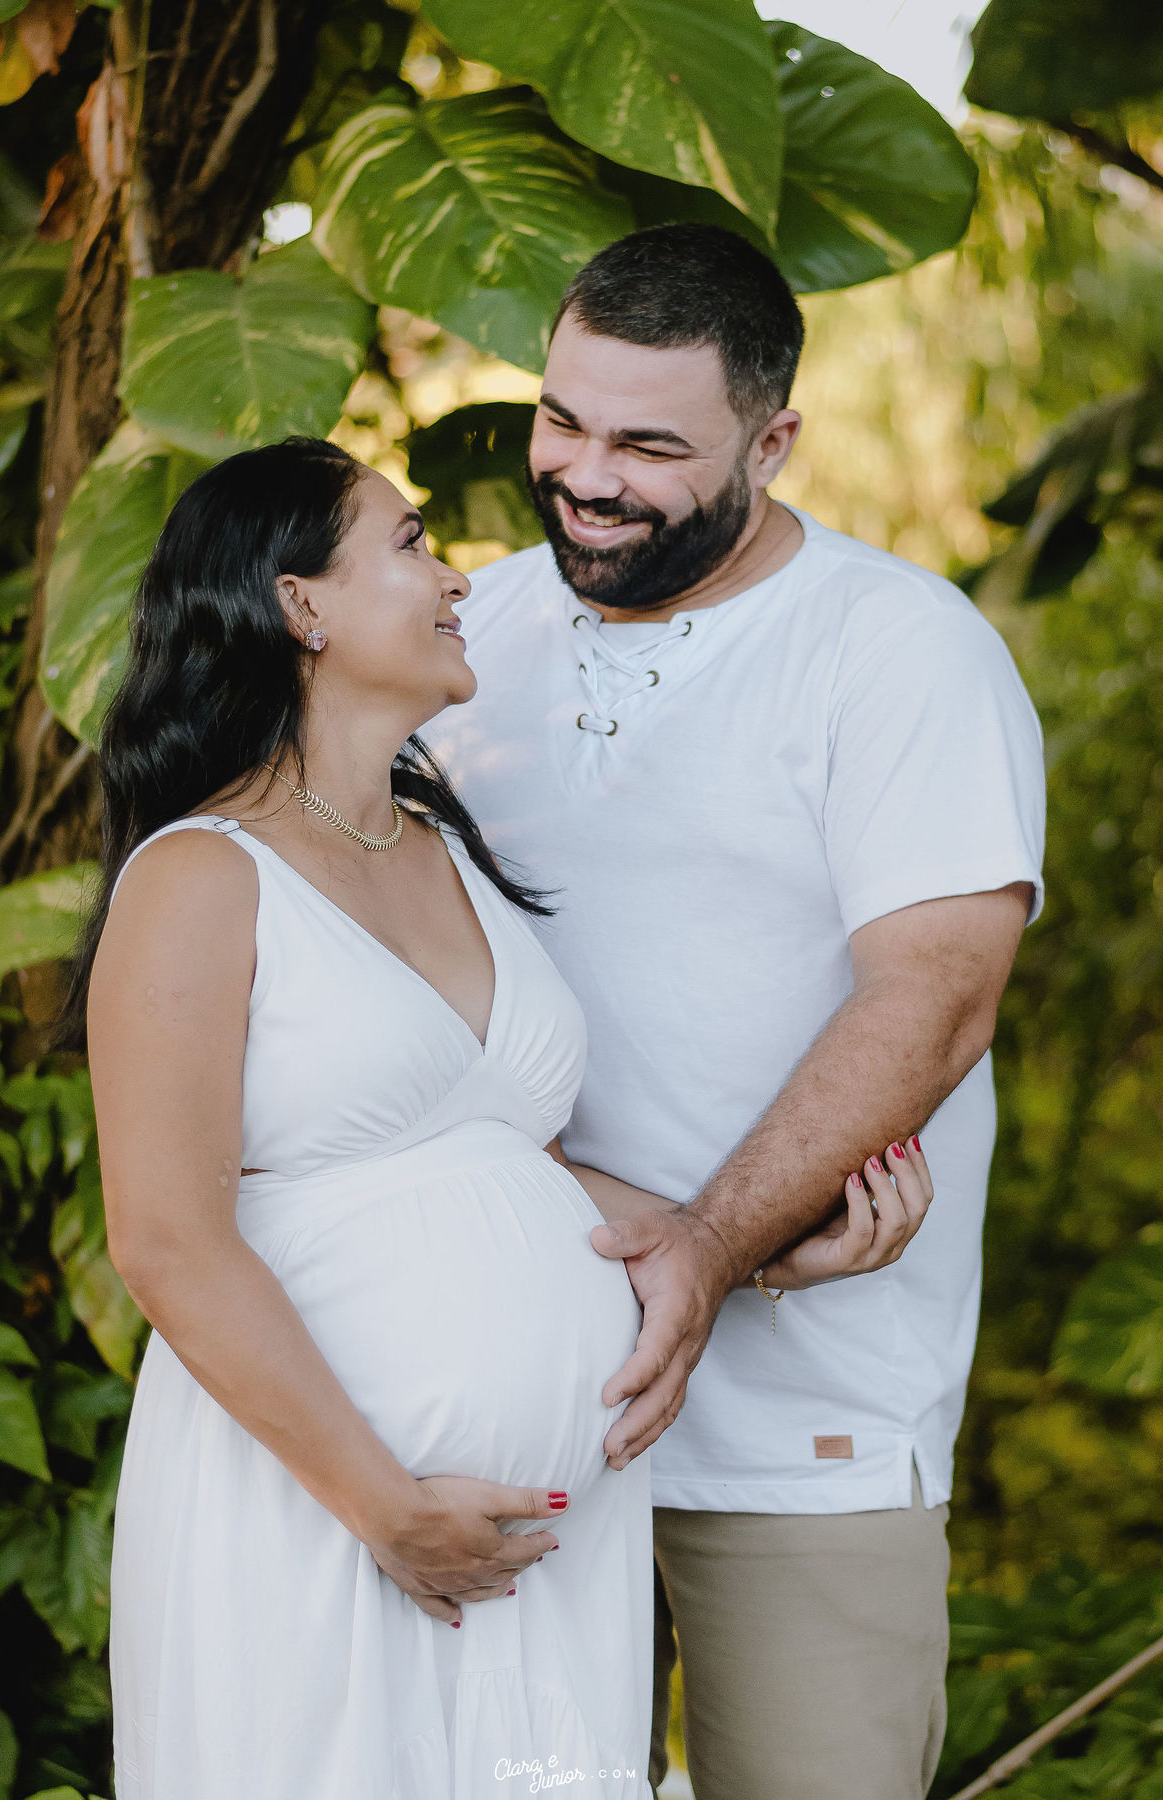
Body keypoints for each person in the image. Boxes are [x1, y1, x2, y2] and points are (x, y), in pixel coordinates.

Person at [68, 436, 930, 1800]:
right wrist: (383, 1507)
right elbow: (166, 1238)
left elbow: (516, 1176)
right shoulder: (200, 877)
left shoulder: (447, 853)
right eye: (411, 544)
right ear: (301, 605)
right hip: (329, 1509)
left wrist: (760, 1247)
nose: (457, 577)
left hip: (543, 1553)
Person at [421, 223, 1047, 1800]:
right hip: (517, 1388)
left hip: (807, 1425)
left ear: (772, 444)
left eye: (650, 447)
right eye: (562, 421)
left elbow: (937, 996)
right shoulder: (458, 636)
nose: (587, 477)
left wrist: (714, 1251)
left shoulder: (899, 649)